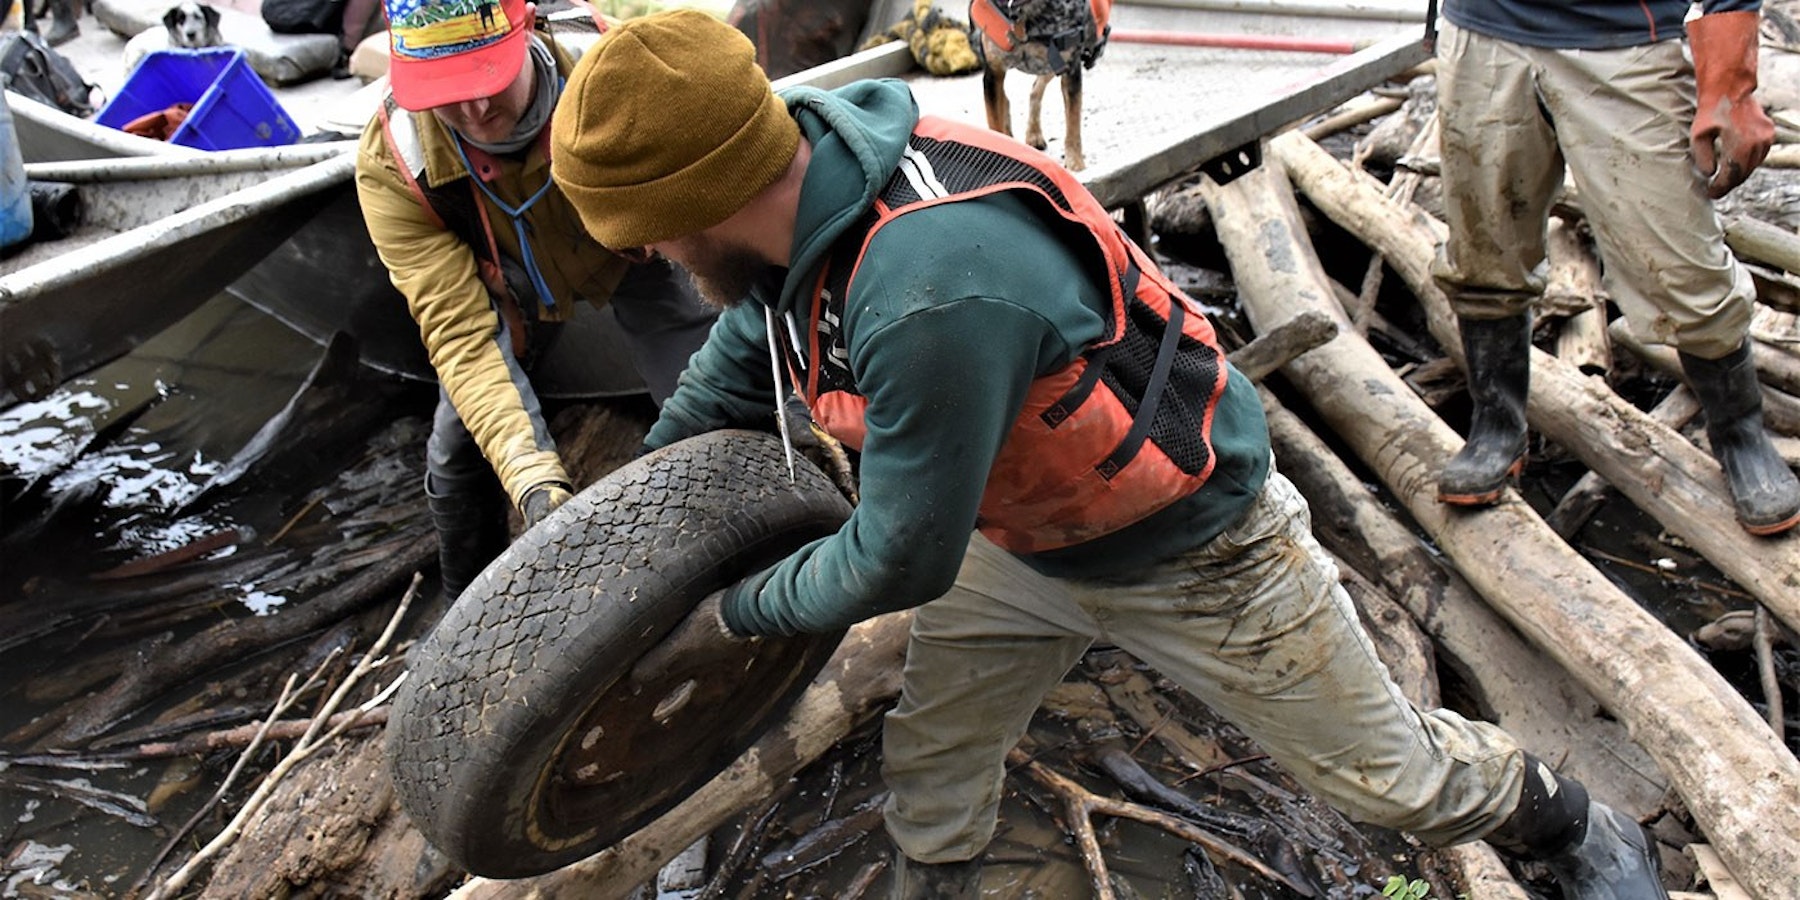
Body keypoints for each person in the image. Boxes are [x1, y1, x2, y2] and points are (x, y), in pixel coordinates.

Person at [547, 10, 1670, 899]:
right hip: (1014, 540)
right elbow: (748, 344)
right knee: (934, 763)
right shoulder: (799, 188)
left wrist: (736, 613)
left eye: (642, 223)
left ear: (708, 190)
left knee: (1387, 782)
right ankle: (933, 879)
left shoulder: (930, 284)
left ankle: (1565, 816)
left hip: (1196, 556)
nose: (644, 250)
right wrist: (644, 516)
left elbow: (895, 561)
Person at [355, 0, 716, 602]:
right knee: (454, 453)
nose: (474, 109)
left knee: (711, 396)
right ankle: (467, 618)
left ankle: (755, 549)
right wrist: (533, 483)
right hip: (504, 280)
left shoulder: (611, 64)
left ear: (528, 31)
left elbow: (707, 197)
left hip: (630, 245)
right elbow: (463, 339)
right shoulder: (393, 162)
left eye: (489, 78)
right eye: (448, 89)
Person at [1431, 0, 1800, 535]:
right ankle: (1496, 424)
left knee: (1681, 270)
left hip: (1624, 40)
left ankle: (1740, 434)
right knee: (1484, 250)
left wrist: (1732, 83)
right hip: (1483, 35)